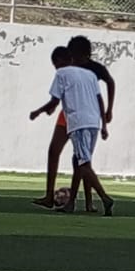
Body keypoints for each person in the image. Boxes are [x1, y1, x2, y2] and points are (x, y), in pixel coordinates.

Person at [31, 35, 115, 212]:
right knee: (64, 154)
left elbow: (109, 84)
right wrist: (103, 120)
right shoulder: (83, 72)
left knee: (82, 161)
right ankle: (56, 198)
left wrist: (108, 112)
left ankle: (98, 199)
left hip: (79, 118)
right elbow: (96, 97)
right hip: (78, 116)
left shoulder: (87, 70)